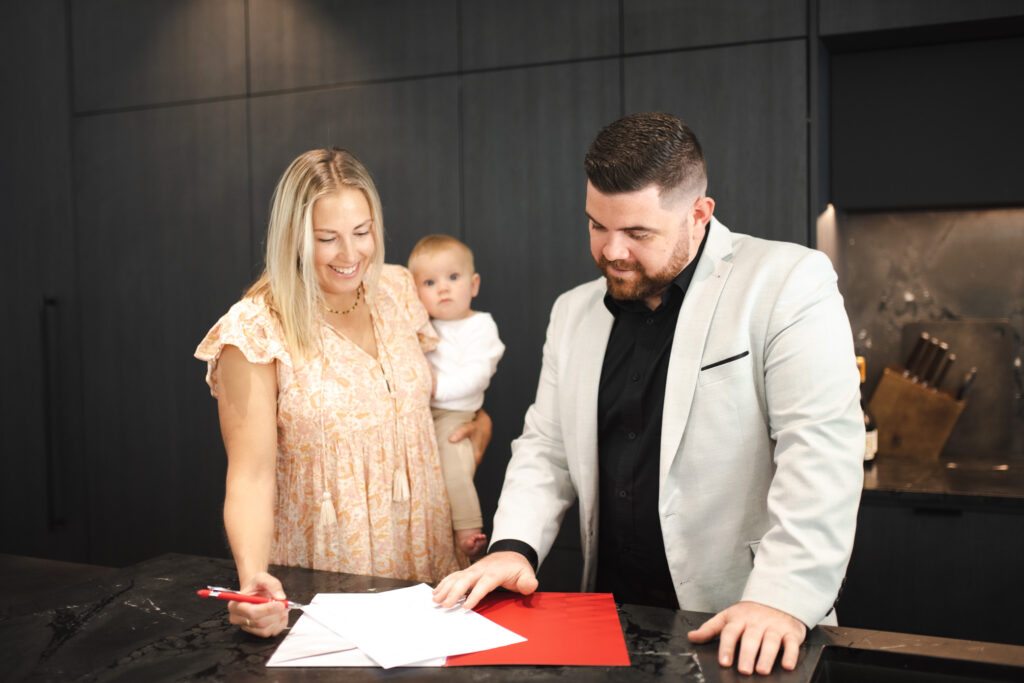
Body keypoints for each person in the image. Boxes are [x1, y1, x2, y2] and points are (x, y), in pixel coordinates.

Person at [432, 113, 864, 676]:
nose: (612, 252)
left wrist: (781, 596)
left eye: (638, 234)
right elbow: (547, 446)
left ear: (699, 214)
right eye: (596, 226)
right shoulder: (572, 311)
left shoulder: (788, 282)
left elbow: (820, 451)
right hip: (609, 625)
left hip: (746, 621)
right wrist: (514, 545)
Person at [195, 148, 490, 638]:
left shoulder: (398, 290)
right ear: (292, 238)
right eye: (327, 239)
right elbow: (249, 476)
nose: (351, 256)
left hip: (427, 558)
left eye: (363, 232)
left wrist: (479, 425)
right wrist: (252, 580)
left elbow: (427, 401)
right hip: (327, 570)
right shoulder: (254, 330)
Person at [408, 235, 505, 561]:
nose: (443, 289)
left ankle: (468, 528)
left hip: (456, 414)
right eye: (430, 282)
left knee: (453, 465)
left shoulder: (480, 326)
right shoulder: (423, 328)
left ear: (474, 284)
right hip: (424, 413)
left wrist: (436, 388)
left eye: (453, 277)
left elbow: (478, 375)